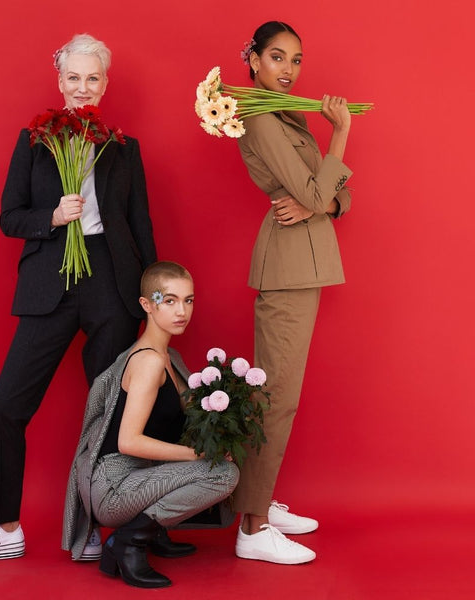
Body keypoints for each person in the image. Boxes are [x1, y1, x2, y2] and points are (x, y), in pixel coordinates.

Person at [0, 33, 156, 565]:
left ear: (105, 84)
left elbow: (140, 225)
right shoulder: (32, 140)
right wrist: (52, 218)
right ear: (59, 83)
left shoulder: (124, 148)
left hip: (112, 283)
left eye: (93, 79)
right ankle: (3, 525)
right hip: (48, 285)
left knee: (111, 415)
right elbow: (9, 216)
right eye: (73, 78)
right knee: (6, 407)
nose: (83, 89)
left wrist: (154, 292)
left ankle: (98, 528)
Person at [232, 21, 353, 564]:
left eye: (297, 60)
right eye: (277, 57)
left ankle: (261, 502)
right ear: (253, 60)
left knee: (283, 395)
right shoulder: (260, 119)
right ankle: (252, 528)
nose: (288, 69)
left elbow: (337, 196)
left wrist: (319, 202)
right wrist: (342, 135)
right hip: (287, 266)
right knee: (274, 398)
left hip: (304, 263)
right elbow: (317, 186)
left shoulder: (288, 111)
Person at [62, 261, 240, 588]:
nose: (181, 310)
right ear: (147, 304)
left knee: (224, 462)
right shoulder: (149, 361)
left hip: (138, 475)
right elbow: (128, 441)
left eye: (188, 300)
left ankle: (154, 532)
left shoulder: (170, 358)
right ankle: (128, 542)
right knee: (223, 474)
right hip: (115, 485)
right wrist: (197, 453)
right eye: (169, 300)